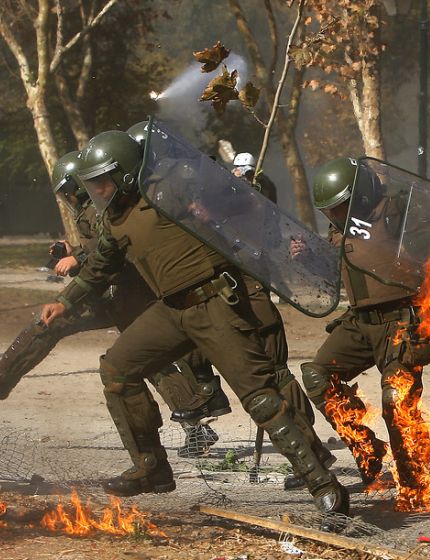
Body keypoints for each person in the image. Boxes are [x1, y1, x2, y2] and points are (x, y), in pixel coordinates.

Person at [38, 130, 348, 519]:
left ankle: (322, 483)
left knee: (259, 395)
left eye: (103, 180)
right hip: (170, 310)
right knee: (117, 368)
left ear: (127, 173)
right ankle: (151, 467)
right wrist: (64, 301)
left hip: (214, 301)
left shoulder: (170, 188)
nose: (98, 190)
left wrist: (222, 193)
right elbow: (98, 268)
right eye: (92, 183)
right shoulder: (115, 220)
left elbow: (234, 203)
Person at [0, 150, 229, 458]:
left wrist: (77, 258)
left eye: (69, 192)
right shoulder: (96, 208)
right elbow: (100, 245)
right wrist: (74, 250)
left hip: (120, 295)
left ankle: (3, 377)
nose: (69, 198)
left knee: (49, 327)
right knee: (145, 359)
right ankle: (195, 420)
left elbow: (113, 253)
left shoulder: (100, 209)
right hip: (121, 295)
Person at [295, 157, 430, 508]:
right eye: (331, 211)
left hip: (401, 322)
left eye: (341, 207)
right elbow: (337, 268)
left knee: (397, 401)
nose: (336, 216)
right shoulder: (340, 229)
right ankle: (369, 451)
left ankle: (416, 484)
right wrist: (305, 258)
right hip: (360, 322)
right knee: (317, 376)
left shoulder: (396, 215)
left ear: (359, 196)